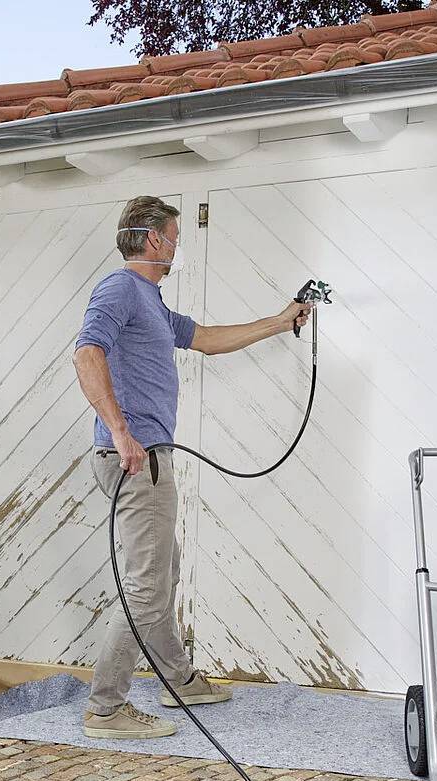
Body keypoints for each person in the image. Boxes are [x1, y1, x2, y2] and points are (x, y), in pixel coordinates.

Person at [71, 195, 311, 739]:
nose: (177, 247)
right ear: (153, 239)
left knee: (163, 573)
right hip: (136, 459)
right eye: (175, 237)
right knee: (146, 586)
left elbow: (207, 340)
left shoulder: (151, 303)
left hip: (147, 457)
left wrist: (281, 320)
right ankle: (105, 708)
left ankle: (177, 679)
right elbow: (88, 353)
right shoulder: (119, 288)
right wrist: (121, 431)